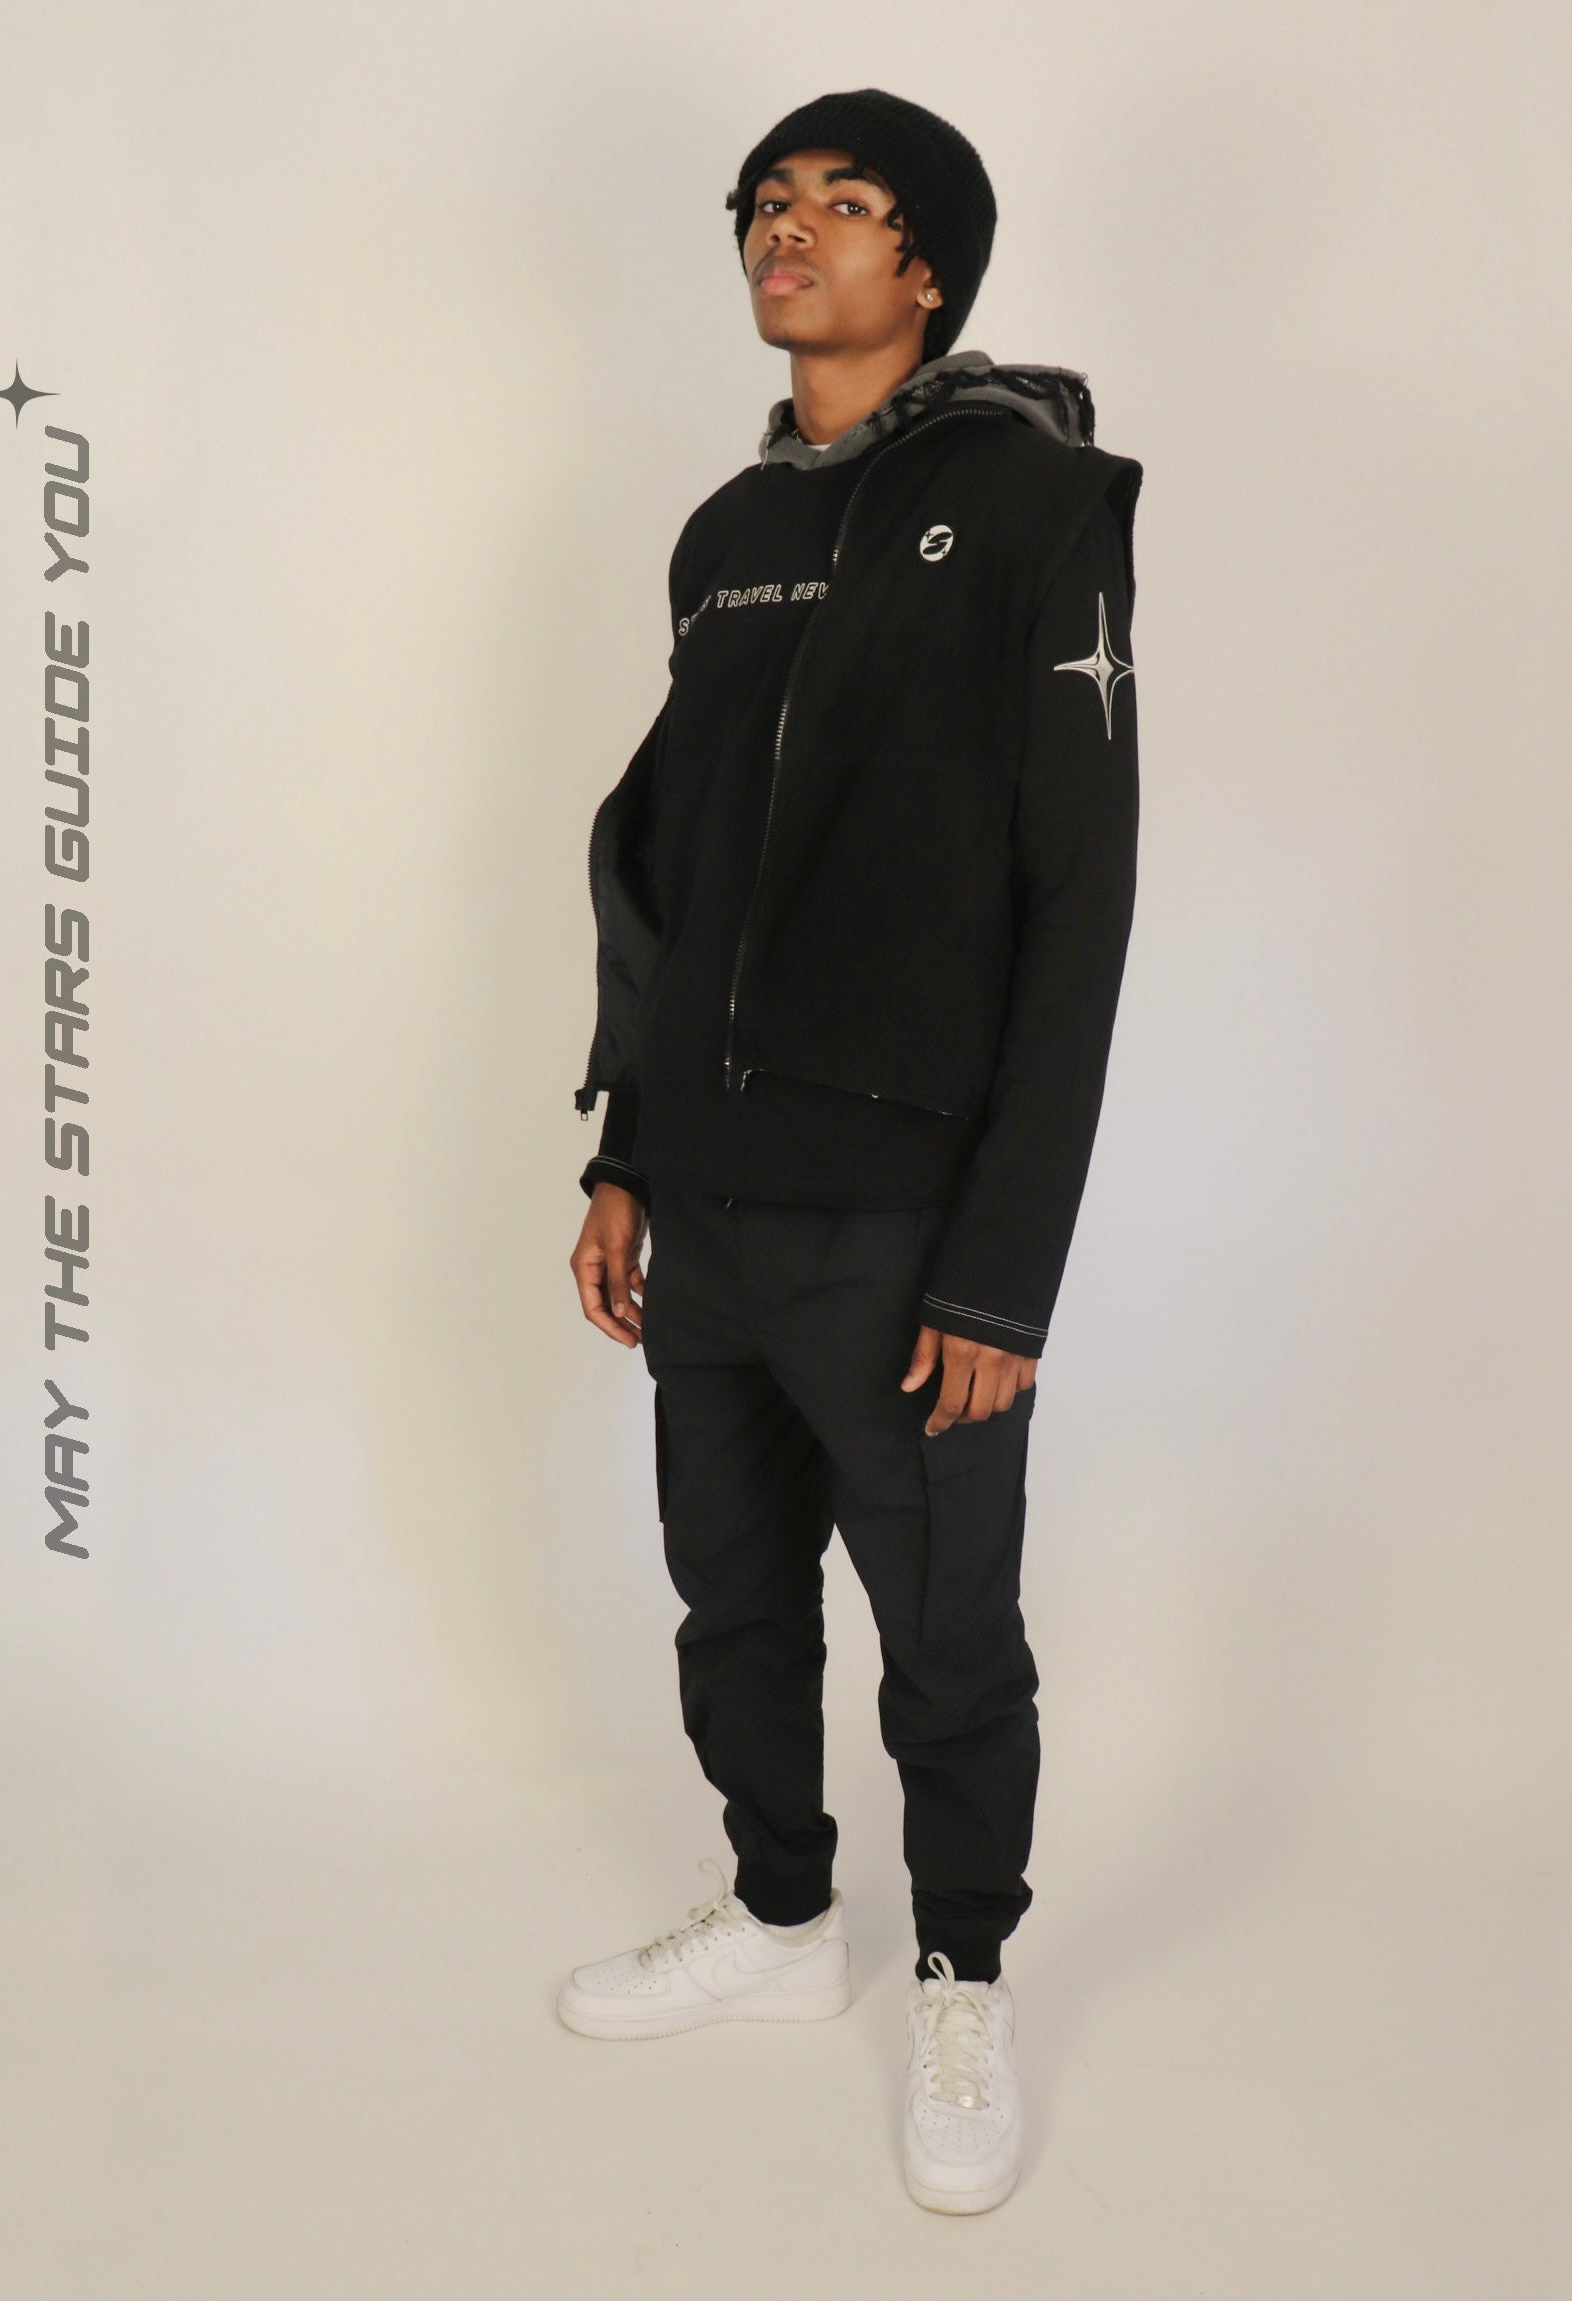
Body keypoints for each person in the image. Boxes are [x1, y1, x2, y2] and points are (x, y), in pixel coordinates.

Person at [560, 86, 1142, 2216]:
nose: (787, 227)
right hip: (705, 1199)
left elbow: (1079, 901)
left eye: (846, 201)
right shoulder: (724, 531)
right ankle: (783, 1915)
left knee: (945, 1629)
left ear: (929, 265)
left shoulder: (1031, 501)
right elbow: (681, 868)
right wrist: (625, 1146)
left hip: (902, 1220)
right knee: (728, 1593)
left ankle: (963, 1970)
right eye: (767, 199)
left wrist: (1001, 1270)